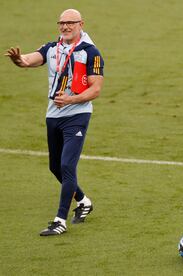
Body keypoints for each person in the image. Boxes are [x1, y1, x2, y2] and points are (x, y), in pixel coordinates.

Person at [4, 9, 104, 236]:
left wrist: (71, 99)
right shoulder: (52, 48)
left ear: (81, 24)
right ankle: (84, 201)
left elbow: (95, 89)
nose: (65, 27)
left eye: (70, 23)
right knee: (55, 167)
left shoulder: (91, 52)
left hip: (77, 116)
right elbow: (29, 60)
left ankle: (60, 220)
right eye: (62, 23)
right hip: (53, 116)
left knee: (67, 166)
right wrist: (18, 59)